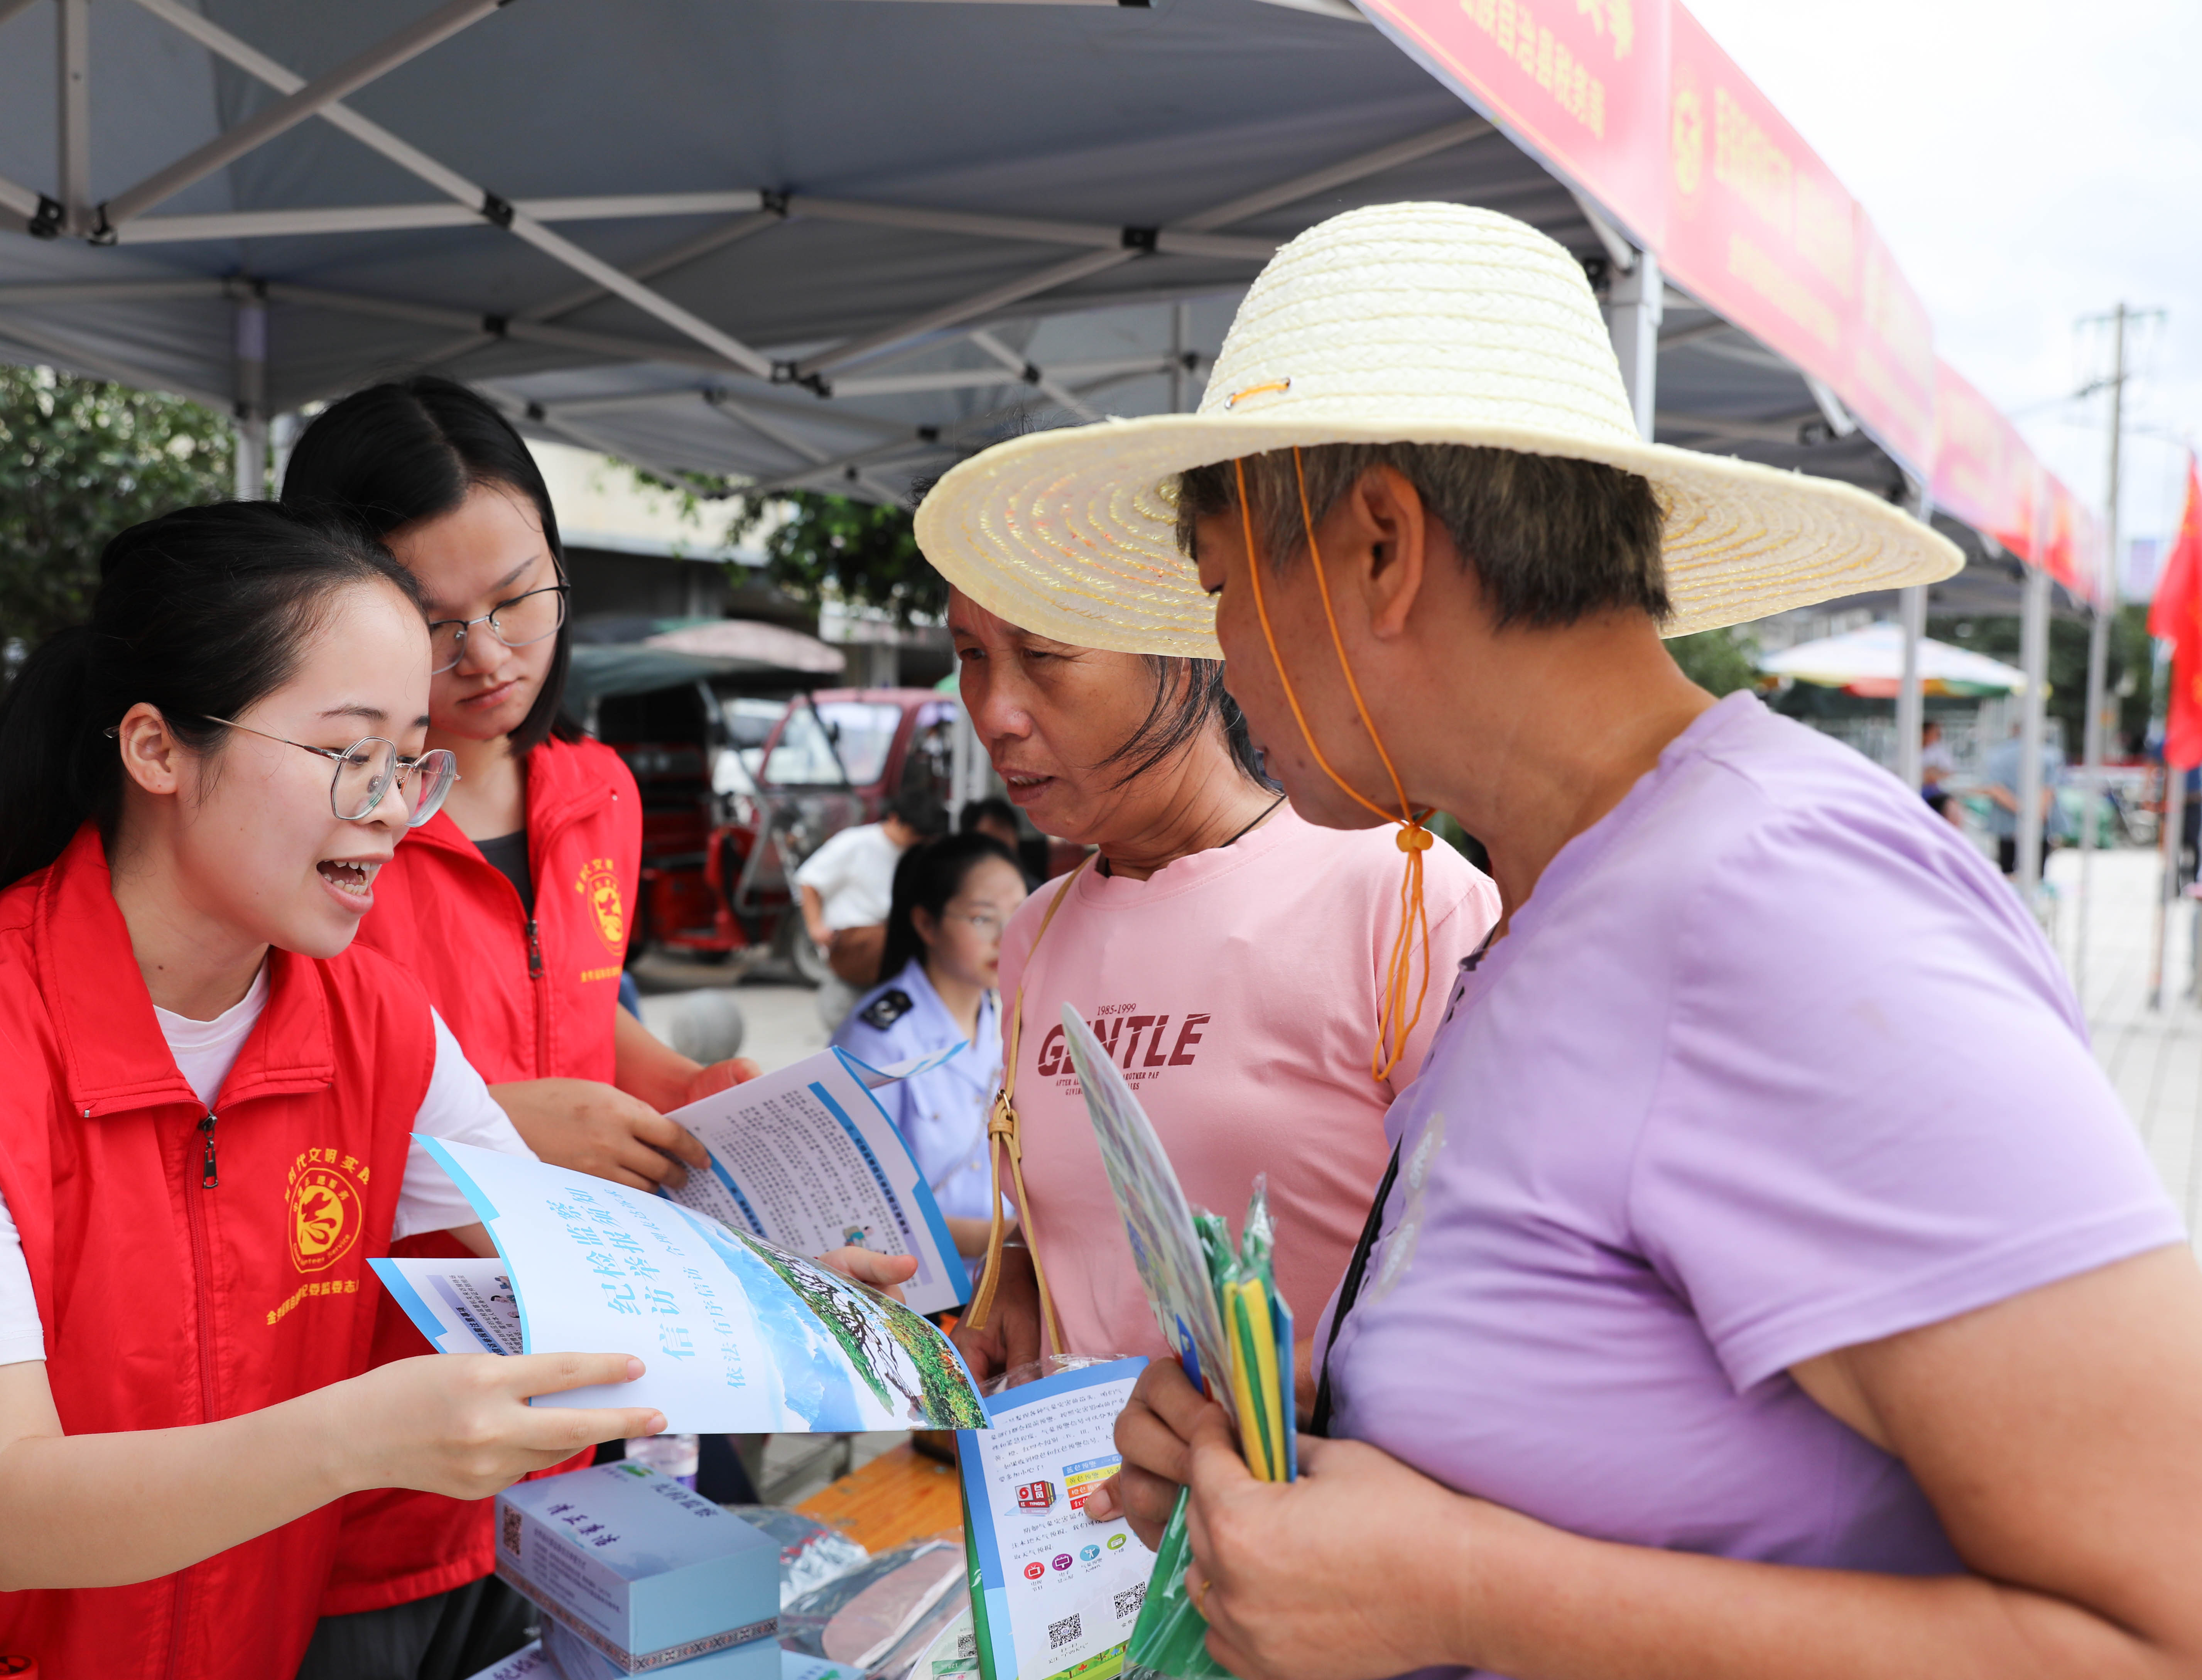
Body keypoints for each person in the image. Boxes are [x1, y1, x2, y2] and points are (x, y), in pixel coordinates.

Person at [920, 202, 2202, 1678]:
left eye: (1219, 587)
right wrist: (1278, 1475)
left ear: (1380, 549)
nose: (1221, 656)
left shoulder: (1770, 902)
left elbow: (2160, 1619)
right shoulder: (1545, 907)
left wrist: (1467, 1591)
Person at [0, 504, 675, 1678]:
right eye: (345, 750)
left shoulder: (376, 1024)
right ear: (156, 749)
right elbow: (5, 1506)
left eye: (412, 755)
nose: (395, 806)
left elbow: (559, 1255)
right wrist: (358, 1435)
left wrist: (797, 1287)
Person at [280, 376, 763, 1674]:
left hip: (570, 1418)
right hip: (374, 1444)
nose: (490, 653)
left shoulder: (593, 790)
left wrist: (715, 1096)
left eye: (517, 598)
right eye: (435, 623)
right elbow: (261, 1126)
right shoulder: (308, 829)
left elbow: (586, 1024)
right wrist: (500, 1132)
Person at [940, 585, 1494, 1384]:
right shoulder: (1037, 929)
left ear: (1189, 650)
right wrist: (1023, 1270)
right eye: (971, 655)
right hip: (1072, 1498)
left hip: (1313, 1494)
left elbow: (1506, 1268)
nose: (995, 712)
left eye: (1043, 655)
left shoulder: (1401, 896)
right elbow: (1082, 1211)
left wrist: (1259, 1414)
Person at [831, 832, 1028, 1248]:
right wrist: (1012, 1241)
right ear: (926, 923)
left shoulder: (1009, 1017)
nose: (1005, 937)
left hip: (1004, 1275)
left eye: (1018, 915)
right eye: (982, 918)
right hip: (922, 1292)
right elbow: (858, 1205)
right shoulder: (879, 1038)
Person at [795, 791, 947, 991]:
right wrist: (816, 927)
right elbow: (809, 880)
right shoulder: (856, 842)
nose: (918, 841)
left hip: (890, 933)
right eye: (915, 834)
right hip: (852, 938)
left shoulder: (918, 853)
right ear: (895, 819)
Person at [1981, 721, 2061, 876]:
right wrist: (2034, 812)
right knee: (2037, 873)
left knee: (2007, 871)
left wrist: (2021, 809)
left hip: (2006, 821)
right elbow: (2049, 789)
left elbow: (1995, 789)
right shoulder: (2049, 754)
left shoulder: (1996, 755)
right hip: (2039, 822)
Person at [1917, 718, 1956, 820]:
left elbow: (1949, 773)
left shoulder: (1939, 751)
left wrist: (1931, 775)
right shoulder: (1911, 749)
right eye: (1934, 733)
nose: (1936, 737)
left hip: (1934, 794)